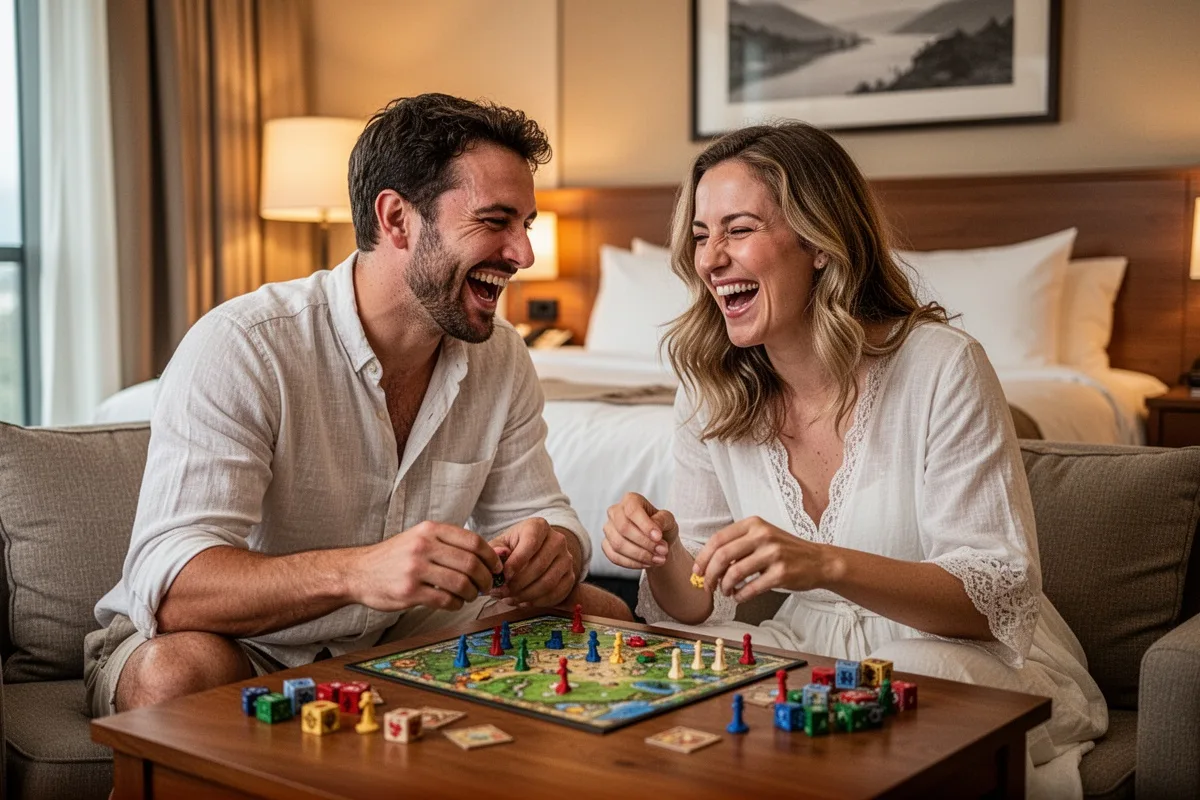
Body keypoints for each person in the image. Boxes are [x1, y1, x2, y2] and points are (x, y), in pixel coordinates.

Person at [85, 93, 630, 718]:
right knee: (176, 674)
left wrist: (550, 550)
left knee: (604, 611)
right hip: (243, 643)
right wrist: (357, 573)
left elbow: (546, 515)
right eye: (495, 221)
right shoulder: (246, 346)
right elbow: (174, 588)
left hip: (397, 636)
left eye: (525, 225)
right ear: (397, 218)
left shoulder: (501, 357)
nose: (523, 255)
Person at [602, 122, 1106, 798]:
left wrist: (826, 564)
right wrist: (662, 553)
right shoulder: (708, 384)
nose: (711, 259)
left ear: (817, 242)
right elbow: (698, 604)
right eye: (700, 235)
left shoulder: (941, 367)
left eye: (738, 229)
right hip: (803, 658)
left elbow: (995, 600)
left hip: (957, 657)